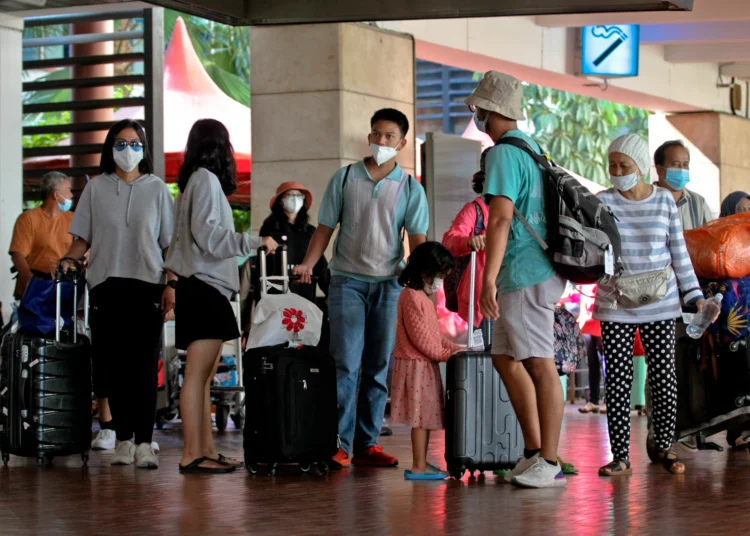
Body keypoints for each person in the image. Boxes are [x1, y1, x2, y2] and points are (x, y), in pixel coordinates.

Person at [294, 108, 429, 469]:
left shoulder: (411, 188)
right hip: (346, 283)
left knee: (377, 366)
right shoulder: (345, 178)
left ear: (402, 143)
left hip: (389, 285)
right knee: (345, 364)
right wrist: (309, 262)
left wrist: (421, 284)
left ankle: (368, 444)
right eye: (376, 134)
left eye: (389, 137)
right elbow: (324, 228)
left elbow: (417, 241)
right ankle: (338, 443)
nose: (381, 141)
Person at [470, 71, 568, 489]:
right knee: (506, 358)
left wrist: (486, 279)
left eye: (478, 110)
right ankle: (533, 452)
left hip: (524, 271)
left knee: (539, 364)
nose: (477, 116)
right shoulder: (530, 148)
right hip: (531, 270)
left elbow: (501, 218)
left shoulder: (503, 155)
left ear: (487, 111)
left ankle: (550, 458)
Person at [593, 133, 710, 476]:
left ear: (641, 167)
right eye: (612, 165)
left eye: (624, 165)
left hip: (661, 302)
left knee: (664, 377)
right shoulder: (602, 202)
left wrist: (695, 297)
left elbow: (679, 255)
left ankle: (664, 447)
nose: (617, 171)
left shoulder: (663, 202)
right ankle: (619, 455)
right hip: (615, 303)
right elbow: (593, 254)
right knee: (617, 380)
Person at [165, 119, 277, 474]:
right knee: (198, 375)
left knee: (205, 374)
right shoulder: (205, 180)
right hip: (204, 286)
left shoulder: (192, 183)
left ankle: (206, 450)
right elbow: (209, 235)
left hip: (201, 285)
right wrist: (253, 241)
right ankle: (192, 454)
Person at [61, 119, 175, 469]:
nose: (129, 150)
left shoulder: (157, 189)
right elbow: (83, 237)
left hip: (147, 285)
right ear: (110, 148)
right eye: (121, 143)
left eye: (135, 143)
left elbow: (170, 244)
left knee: (143, 367)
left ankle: (144, 442)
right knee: (112, 367)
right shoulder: (95, 189)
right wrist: (67, 258)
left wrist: (172, 284)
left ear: (144, 149)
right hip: (106, 286)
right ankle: (123, 439)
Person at [391, 242, 461, 480]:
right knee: (420, 418)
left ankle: (422, 462)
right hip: (415, 365)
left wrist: (458, 348)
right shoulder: (410, 296)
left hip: (424, 365)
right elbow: (423, 341)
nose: (440, 282)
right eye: (439, 276)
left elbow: (434, 337)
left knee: (425, 418)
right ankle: (418, 466)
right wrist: (449, 354)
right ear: (425, 271)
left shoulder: (423, 298)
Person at [442, 148, 490, 335]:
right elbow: (450, 240)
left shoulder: (519, 210)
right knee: (491, 357)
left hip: (513, 294)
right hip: (482, 298)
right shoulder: (475, 210)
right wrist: (470, 242)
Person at [255, 181, 330, 302]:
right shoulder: (269, 229)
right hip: (276, 292)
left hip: (305, 291)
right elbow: (263, 263)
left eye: (299, 195)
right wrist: (260, 296)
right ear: (280, 201)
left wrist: (330, 292)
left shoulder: (310, 231)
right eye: (290, 195)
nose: (295, 199)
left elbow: (320, 263)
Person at [9, 171, 74, 299]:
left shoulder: (72, 219)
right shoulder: (28, 218)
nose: (71, 195)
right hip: (34, 289)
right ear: (56, 194)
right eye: (68, 190)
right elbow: (18, 255)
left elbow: (82, 248)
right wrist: (31, 283)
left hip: (64, 286)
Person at [653, 140, 712, 229]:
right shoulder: (646, 201)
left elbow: (711, 237)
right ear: (659, 169)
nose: (682, 169)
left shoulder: (698, 203)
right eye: (675, 164)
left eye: (685, 164)